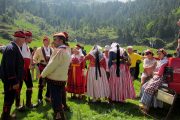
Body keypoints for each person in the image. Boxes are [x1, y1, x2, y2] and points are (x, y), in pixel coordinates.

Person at [41, 32, 71, 120]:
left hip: (55, 79)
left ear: (61, 40)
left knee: (55, 99)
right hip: (61, 78)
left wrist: (43, 74)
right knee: (58, 97)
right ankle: (59, 114)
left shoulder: (59, 51)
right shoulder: (66, 50)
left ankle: (59, 116)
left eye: (55, 39)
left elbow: (51, 65)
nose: (53, 41)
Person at [1, 30, 25, 119]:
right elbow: (10, 67)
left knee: (9, 98)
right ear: (19, 39)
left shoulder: (13, 47)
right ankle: (6, 116)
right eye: (23, 39)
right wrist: (14, 81)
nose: (24, 41)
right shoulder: (12, 48)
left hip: (11, 79)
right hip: (11, 80)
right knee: (9, 98)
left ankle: (5, 115)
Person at [139, 48, 168, 114]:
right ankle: (148, 104)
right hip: (156, 77)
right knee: (143, 86)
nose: (158, 55)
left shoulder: (164, 62)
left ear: (164, 54)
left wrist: (153, 73)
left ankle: (146, 108)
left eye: (160, 54)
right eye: (158, 54)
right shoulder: (161, 60)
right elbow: (150, 57)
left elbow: (160, 74)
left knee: (148, 88)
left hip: (159, 78)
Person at [15, 31, 37, 109]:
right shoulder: (20, 45)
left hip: (27, 70)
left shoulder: (27, 46)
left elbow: (29, 57)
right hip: (20, 71)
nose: (32, 39)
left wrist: (31, 63)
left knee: (30, 86)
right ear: (27, 37)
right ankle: (17, 105)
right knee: (18, 87)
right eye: (31, 37)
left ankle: (28, 103)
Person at [33, 36, 53, 105]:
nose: (47, 42)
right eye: (46, 40)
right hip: (42, 67)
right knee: (41, 83)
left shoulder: (51, 49)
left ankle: (48, 96)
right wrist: (37, 64)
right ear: (43, 41)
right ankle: (39, 98)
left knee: (50, 83)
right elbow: (34, 58)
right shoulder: (39, 49)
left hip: (49, 68)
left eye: (48, 41)